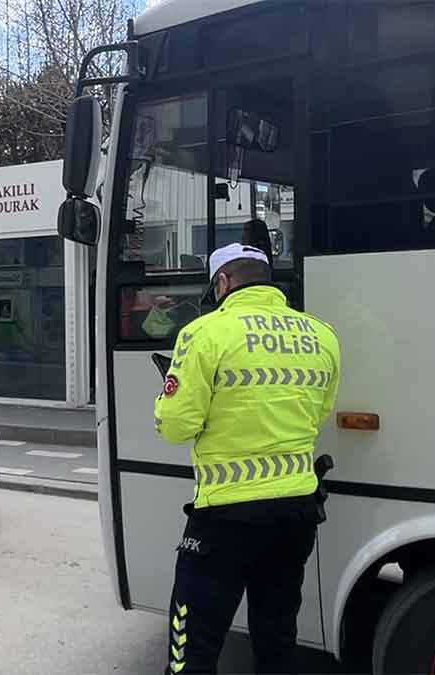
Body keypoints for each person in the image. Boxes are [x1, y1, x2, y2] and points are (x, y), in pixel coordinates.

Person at [153, 243, 341, 674]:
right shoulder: (321, 334)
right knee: (276, 634)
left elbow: (176, 426)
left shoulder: (205, 333)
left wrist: (168, 402)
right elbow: (319, 411)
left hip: (225, 517)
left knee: (193, 641)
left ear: (222, 282)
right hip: (297, 513)